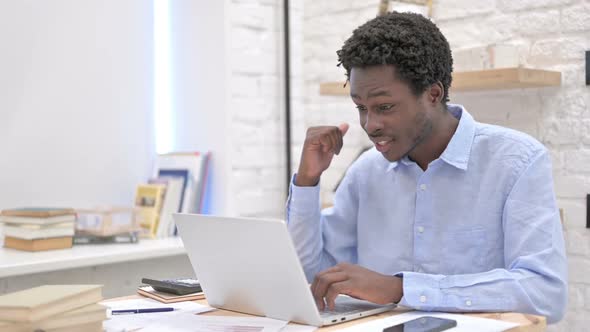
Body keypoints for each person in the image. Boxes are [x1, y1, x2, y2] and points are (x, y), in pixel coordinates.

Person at [286, 12, 567, 323]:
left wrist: (401, 288)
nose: (370, 124)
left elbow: (545, 294)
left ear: (433, 94)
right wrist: (307, 181)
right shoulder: (366, 172)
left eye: (385, 107)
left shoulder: (516, 161)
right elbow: (316, 276)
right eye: (361, 108)